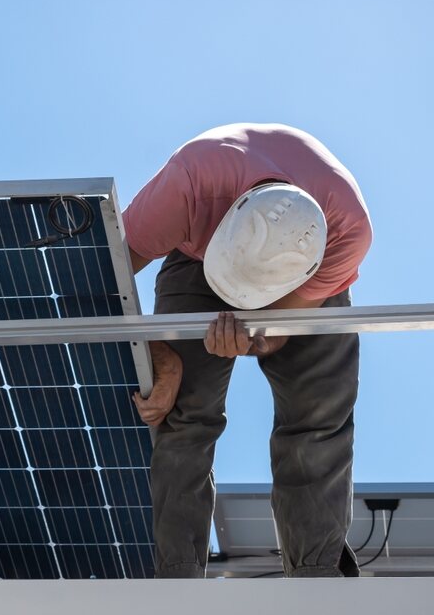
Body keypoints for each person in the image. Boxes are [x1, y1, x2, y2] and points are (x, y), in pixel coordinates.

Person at [125, 123, 372, 578]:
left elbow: (275, 336)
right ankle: (176, 576)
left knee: (317, 413)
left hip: (305, 284)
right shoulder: (188, 185)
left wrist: (258, 336)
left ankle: (318, 574)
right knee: (182, 413)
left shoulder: (347, 233)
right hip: (199, 260)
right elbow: (101, 276)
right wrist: (161, 355)